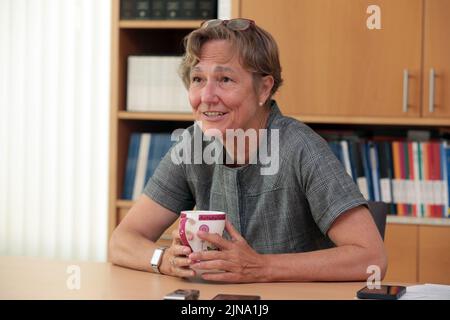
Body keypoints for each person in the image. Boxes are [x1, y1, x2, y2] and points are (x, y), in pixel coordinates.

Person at [109, 18, 387, 283]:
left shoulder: (301, 147)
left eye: (225, 80)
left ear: (264, 89)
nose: (206, 97)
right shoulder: (193, 145)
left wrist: (262, 267)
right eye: (197, 79)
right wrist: (165, 259)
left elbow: (371, 258)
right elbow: (123, 241)